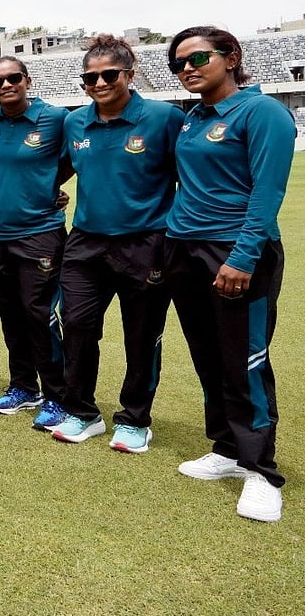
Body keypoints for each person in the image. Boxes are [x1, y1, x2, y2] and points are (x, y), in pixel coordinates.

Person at [163, 26, 295, 522]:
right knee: (208, 354)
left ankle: (262, 472)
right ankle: (226, 449)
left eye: (198, 58)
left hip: (236, 251)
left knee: (246, 359)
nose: (188, 69)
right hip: (184, 249)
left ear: (231, 57)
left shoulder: (262, 112)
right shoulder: (191, 118)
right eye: (179, 64)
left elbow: (267, 192)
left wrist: (241, 257)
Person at [50, 35, 183, 451]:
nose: (100, 82)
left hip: (145, 244)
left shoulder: (164, 118)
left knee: (141, 334)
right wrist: (55, 191)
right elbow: (63, 168)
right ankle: (82, 412)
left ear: (129, 73)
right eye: (90, 76)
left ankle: (135, 419)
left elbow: (190, 176)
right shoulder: (75, 122)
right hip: (86, 243)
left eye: (109, 74)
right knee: (76, 327)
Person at [0, 57, 72, 430]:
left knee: (40, 314)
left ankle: (57, 395)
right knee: (12, 314)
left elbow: (74, 159)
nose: (6, 86)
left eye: (13, 78)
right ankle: (23, 387)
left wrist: (50, 187)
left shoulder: (55, 118)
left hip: (39, 233)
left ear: (26, 80)